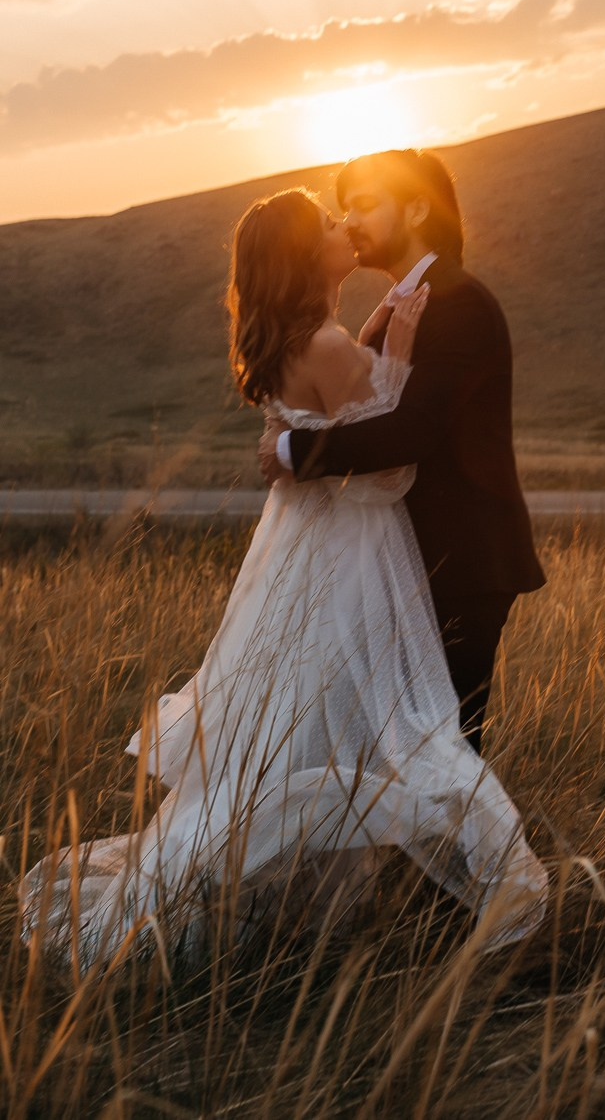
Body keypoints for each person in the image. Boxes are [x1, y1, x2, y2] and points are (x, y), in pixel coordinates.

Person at [20, 188, 547, 969]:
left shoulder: (302, 339)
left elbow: (332, 431)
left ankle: (279, 885)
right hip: (356, 548)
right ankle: (440, 900)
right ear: (305, 257)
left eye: (352, 212)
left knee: (308, 724)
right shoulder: (330, 343)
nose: (346, 228)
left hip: (306, 553)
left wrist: (356, 381)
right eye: (330, 225)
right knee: (407, 727)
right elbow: (391, 468)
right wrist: (394, 360)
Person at [258, 149, 545, 756]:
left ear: (416, 207)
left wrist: (289, 447)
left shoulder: (458, 304)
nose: (351, 221)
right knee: (401, 749)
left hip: (460, 565)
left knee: (446, 749)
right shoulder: (402, 309)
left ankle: (469, 854)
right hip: (408, 565)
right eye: (345, 210)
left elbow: (410, 432)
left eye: (364, 205)